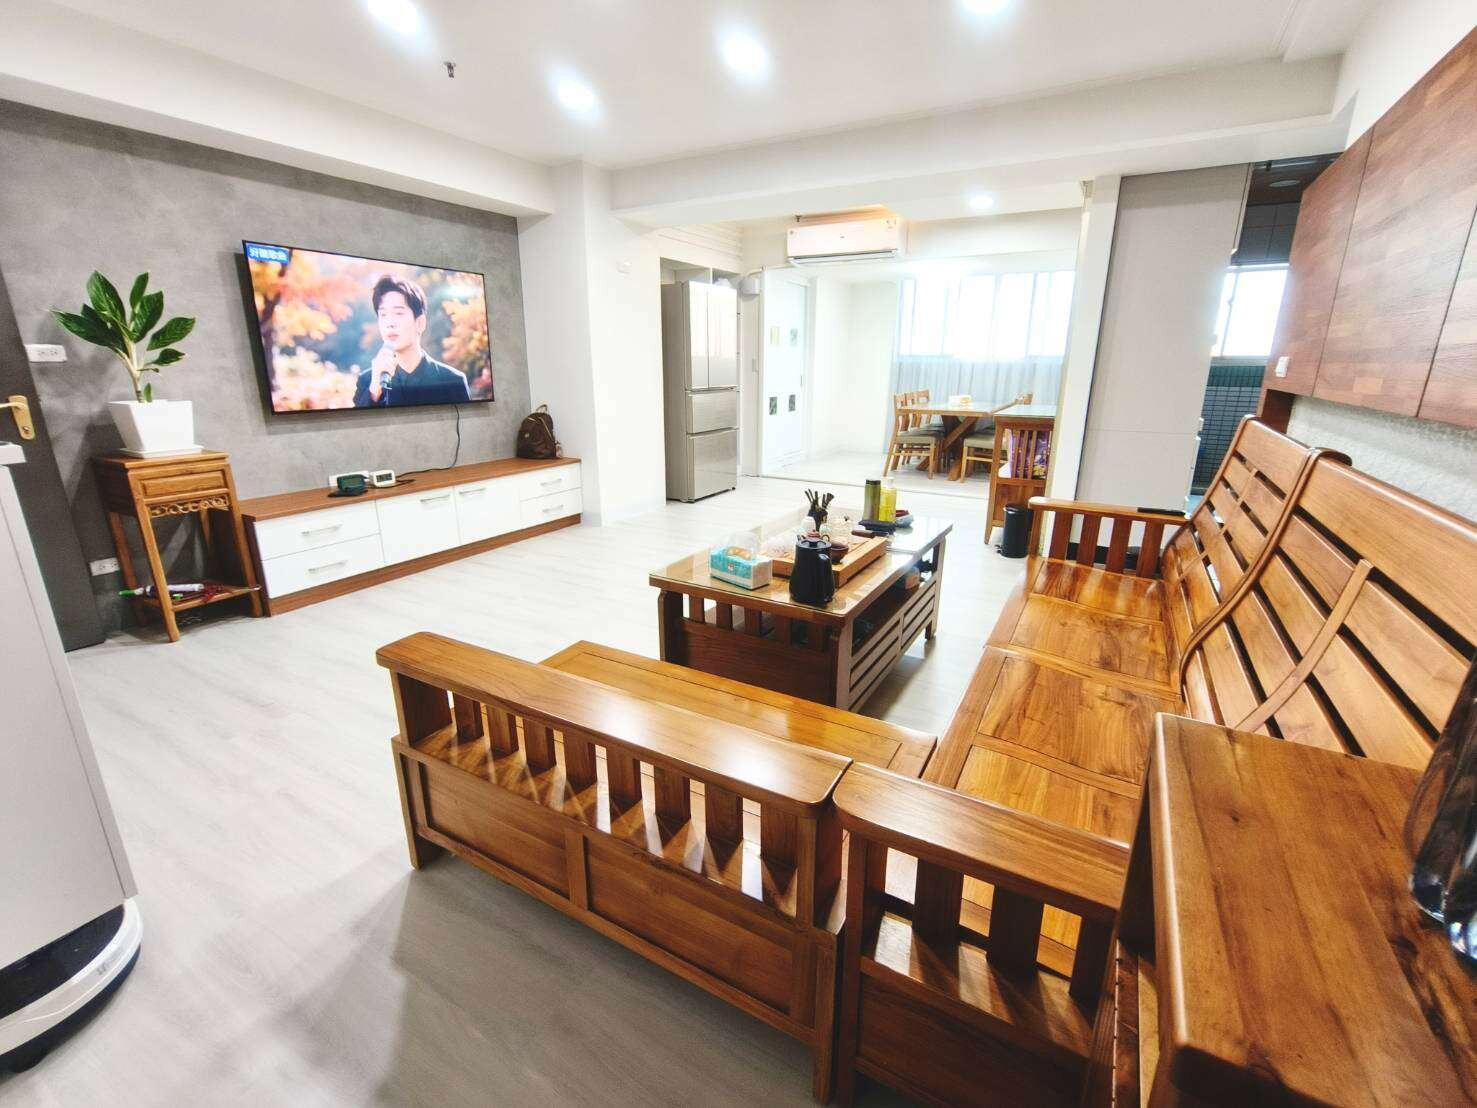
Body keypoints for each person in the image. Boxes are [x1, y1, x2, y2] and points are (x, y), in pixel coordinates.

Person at [353, 275, 471, 407]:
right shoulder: (367, 381)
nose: (390, 323)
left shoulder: (452, 382)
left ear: (420, 323)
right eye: (383, 314)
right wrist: (375, 391)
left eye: (398, 313)